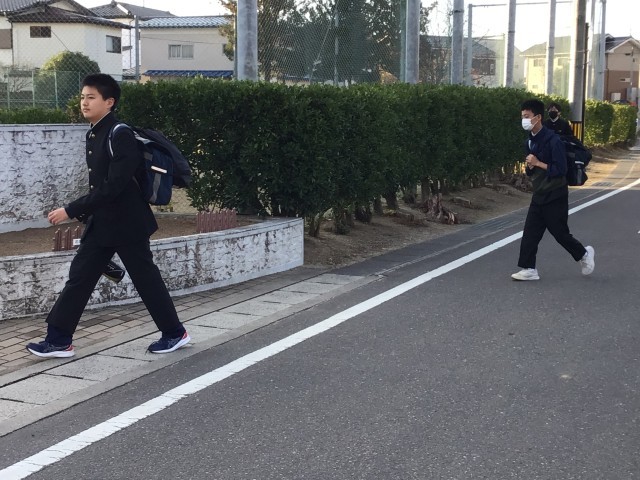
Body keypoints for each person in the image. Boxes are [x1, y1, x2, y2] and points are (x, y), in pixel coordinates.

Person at [27, 73, 190, 358]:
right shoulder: (95, 132)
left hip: (127, 224)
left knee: (146, 279)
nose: (84, 102)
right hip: (104, 223)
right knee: (80, 277)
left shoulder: (119, 134)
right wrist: (87, 215)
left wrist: (71, 210)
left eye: (91, 97)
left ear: (109, 102)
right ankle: (58, 339)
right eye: (82, 97)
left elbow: (115, 185)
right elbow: (103, 187)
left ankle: (175, 333)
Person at [511, 99, 595, 281]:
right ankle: (529, 268)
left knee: (560, 233)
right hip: (539, 192)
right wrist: (530, 167)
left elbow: (560, 170)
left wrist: (537, 163)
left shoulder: (553, 140)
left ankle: (584, 254)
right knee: (530, 232)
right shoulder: (529, 141)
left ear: (538, 117)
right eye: (523, 117)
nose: (524, 120)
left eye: (527, 116)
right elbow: (531, 170)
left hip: (556, 193)